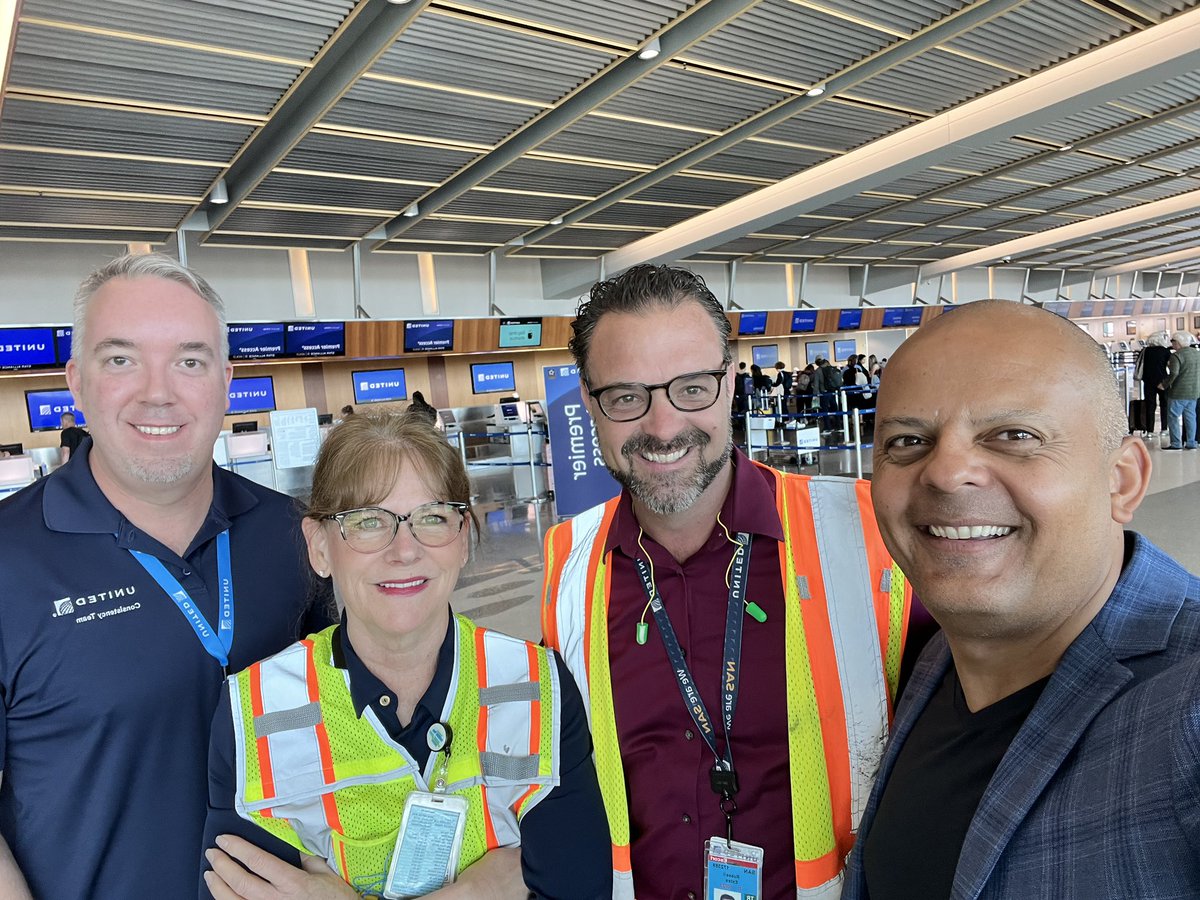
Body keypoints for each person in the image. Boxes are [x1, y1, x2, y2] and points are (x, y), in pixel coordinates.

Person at [540, 264, 914, 900]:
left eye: (691, 388)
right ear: (589, 403)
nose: (662, 427)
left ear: (731, 382)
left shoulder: (870, 534)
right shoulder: (568, 560)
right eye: (628, 396)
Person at [844, 301, 1200, 900]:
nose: (946, 472)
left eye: (1015, 436)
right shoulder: (934, 661)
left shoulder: (1187, 705)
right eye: (908, 440)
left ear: (1123, 479)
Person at [0, 253, 327, 900]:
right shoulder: (8, 557)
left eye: (190, 360)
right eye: (121, 359)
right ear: (75, 380)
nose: (158, 391)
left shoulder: (291, 532)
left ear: (226, 381)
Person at [202, 413, 610, 899]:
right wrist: (476, 891)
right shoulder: (256, 712)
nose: (404, 550)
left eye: (432, 517)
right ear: (320, 548)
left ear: (463, 539)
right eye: (368, 521)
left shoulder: (536, 688)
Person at [1161, 329, 1199, 450]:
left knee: (1173, 417)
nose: (1172, 344)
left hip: (1178, 392)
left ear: (1179, 343)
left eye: (1173, 341)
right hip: (1194, 391)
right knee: (1190, 417)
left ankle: (1176, 443)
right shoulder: (1197, 353)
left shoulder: (1176, 355)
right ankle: (1191, 442)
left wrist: (1164, 385)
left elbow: (1174, 373)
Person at [1136, 332, 1171, 437]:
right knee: (1164, 405)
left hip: (1148, 381)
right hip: (1162, 381)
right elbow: (1170, 365)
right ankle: (1164, 429)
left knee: (1150, 405)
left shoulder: (1145, 351)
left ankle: (1149, 431)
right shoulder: (1165, 351)